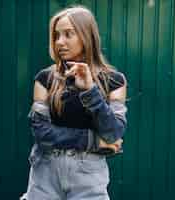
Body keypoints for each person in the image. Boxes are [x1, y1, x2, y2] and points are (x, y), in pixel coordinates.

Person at [20, 5, 127, 200]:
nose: (60, 42)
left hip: (88, 176)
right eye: (56, 36)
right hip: (45, 172)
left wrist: (89, 90)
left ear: (86, 36)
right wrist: (93, 141)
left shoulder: (114, 81)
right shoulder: (45, 78)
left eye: (68, 34)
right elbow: (42, 133)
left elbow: (113, 133)